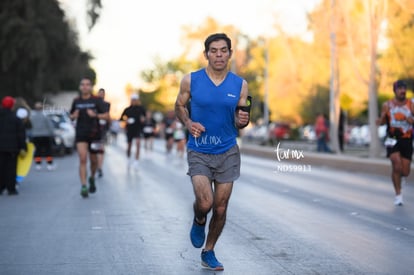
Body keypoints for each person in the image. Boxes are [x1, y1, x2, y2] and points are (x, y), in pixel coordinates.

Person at [174, 33, 250, 271]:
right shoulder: (191, 80)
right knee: (205, 203)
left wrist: (243, 120)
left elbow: (240, 120)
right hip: (199, 149)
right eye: (214, 50)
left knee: (220, 207)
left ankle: (209, 251)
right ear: (206, 53)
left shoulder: (240, 84)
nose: (219, 54)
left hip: (227, 150)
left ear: (230, 53)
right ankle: (198, 219)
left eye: (223, 50)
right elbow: (178, 106)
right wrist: (188, 124)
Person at [70, 77, 109, 198]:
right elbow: (71, 116)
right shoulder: (76, 101)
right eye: (83, 84)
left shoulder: (97, 100)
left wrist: (95, 115)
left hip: (94, 134)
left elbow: (107, 116)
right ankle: (83, 186)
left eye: (87, 85)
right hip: (81, 133)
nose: (85, 87)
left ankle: (92, 177)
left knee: (94, 161)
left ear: (91, 87)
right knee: (82, 159)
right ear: (80, 87)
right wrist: (73, 116)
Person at [377, 80, 414, 206]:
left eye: (404, 88)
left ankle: (401, 176)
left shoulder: (411, 104)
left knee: (405, 171)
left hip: (407, 139)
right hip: (392, 137)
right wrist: (382, 117)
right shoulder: (387, 104)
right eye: (400, 89)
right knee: (396, 165)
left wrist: (411, 120)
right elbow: (381, 122)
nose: (402, 91)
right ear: (395, 90)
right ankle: (398, 195)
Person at [0, 96, 27, 195]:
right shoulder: (16, 119)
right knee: (11, 168)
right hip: (12, 148)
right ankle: (11, 188)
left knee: (1, 167)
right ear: (12, 106)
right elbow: (21, 135)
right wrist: (23, 147)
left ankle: (1, 187)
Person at [120, 94, 146, 170]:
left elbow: (144, 118)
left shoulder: (141, 109)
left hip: (138, 129)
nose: (134, 101)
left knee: (138, 144)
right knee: (129, 145)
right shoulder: (127, 109)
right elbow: (121, 118)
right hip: (130, 129)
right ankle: (128, 158)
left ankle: (136, 161)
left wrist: (143, 119)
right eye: (133, 100)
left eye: (135, 100)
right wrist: (126, 120)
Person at [30, 102, 56, 170]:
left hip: (36, 136)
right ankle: (49, 165)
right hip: (45, 135)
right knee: (48, 150)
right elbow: (50, 126)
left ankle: (38, 165)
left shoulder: (32, 116)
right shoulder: (45, 115)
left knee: (38, 151)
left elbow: (30, 127)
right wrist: (52, 134)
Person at [96, 88, 111, 177]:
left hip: (103, 129)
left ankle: (100, 167)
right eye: (100, 93)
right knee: (95, 149)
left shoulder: (107, 104)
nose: (101, 95)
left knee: (101, 148)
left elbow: (107, 116)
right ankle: (96, 165)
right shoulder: (93, 103)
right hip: (94, 129)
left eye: (103, 93)